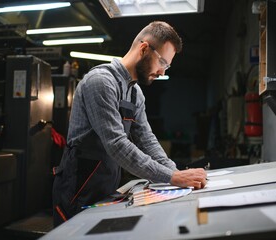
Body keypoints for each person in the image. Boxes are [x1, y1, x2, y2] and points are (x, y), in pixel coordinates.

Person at [52, 21, 207, 227]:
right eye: (162, 62)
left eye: (167, 66)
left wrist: (177, 173)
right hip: (77, 189)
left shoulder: (135, 93)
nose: (162, 72)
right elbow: (116, 144)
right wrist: (171, 177)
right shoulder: (100, 82)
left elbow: (147, 140)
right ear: (144, 49)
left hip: (105, 187)